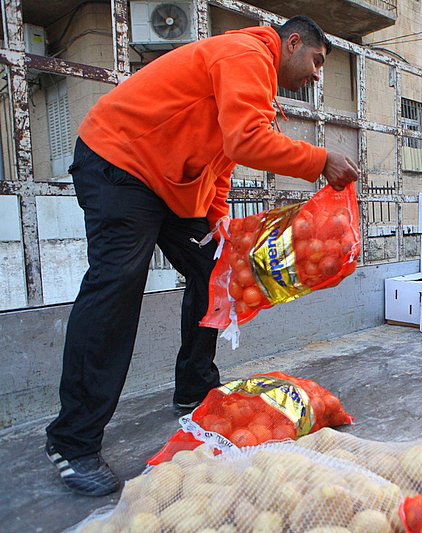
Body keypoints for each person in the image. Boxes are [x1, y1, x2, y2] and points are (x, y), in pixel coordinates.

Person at [45, 15, 358, 496]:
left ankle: (194, 390)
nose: (317, 75)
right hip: (119, 159)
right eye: (317, 61)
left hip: (171, 185)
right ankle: (73, 441)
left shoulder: (255, 83)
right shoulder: (248, 54)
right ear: (292, 43)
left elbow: (221, 160)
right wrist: (320, 160)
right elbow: (245, 141)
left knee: (215, 269)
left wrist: (217, 221)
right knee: (118, 283)